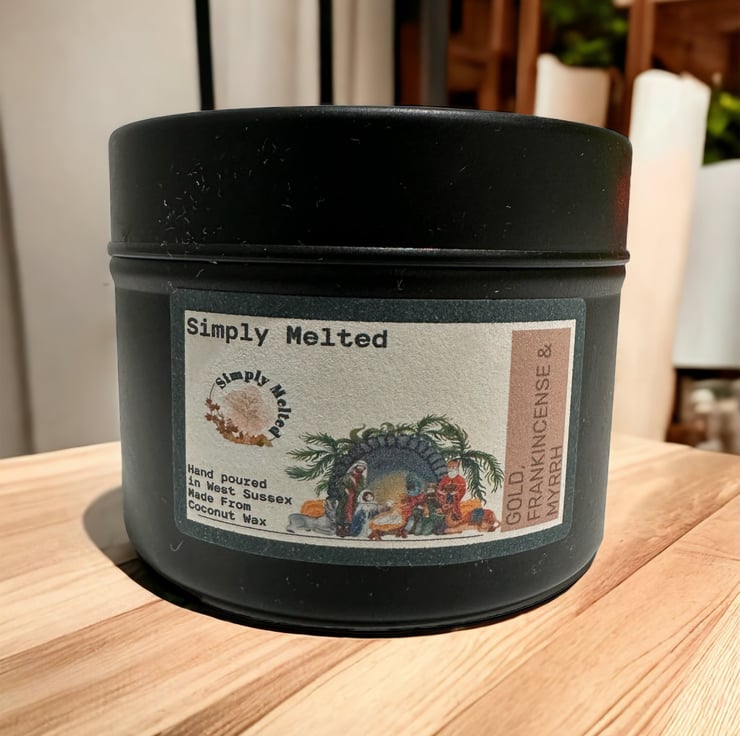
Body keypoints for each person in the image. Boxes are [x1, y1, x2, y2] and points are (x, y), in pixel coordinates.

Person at [336, 460, 367, 537]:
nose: (360, 468)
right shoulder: (348, 476)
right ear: (355, 466)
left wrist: (356, 487)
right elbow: (341, 484)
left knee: (353, 512)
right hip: (346, 497)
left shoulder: (362, 478)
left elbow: (362, 488)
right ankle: (340, 527)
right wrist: (345, 489)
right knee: (343, 510)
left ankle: (349, 528)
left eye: (362, 467)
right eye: (359, 466)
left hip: (355, 498)